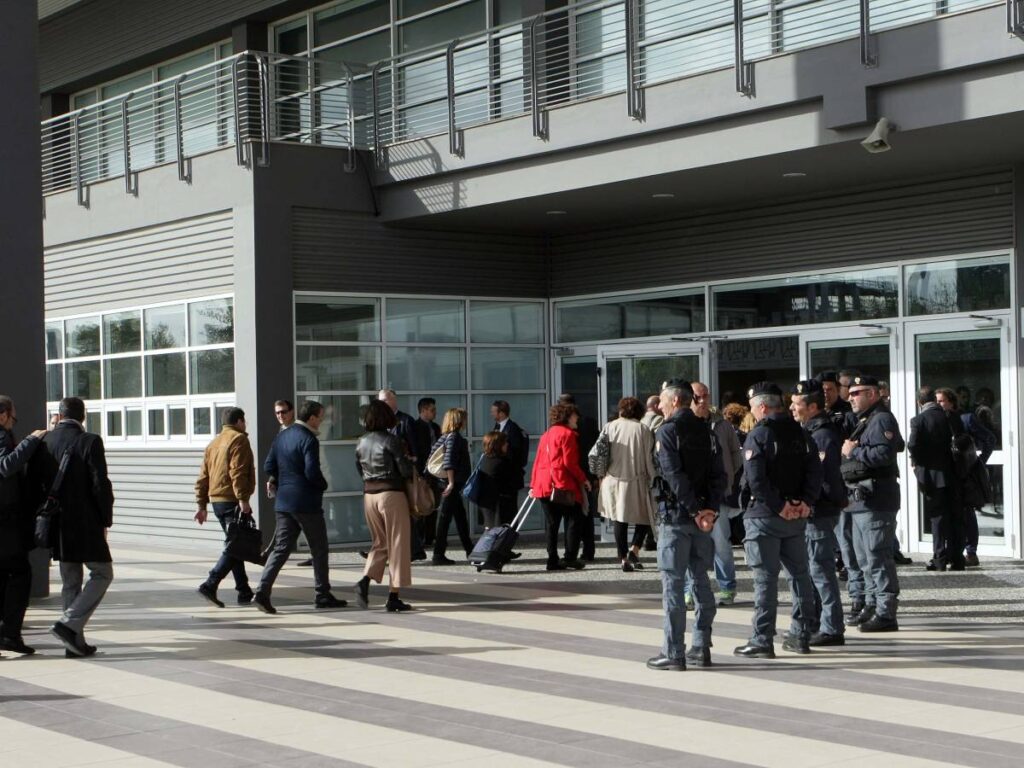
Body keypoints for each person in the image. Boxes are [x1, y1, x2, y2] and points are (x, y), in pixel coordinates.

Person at [734, 382, 822, 658]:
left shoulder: (759, 434)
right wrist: (804, 502)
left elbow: (756, 480)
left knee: (765, 581)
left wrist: (779, 505)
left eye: (752, 408)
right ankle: (801, 634)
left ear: (761, 407)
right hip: (796, 517)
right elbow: (815, 471)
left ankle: (762, 639)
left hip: (765, 517)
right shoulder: (801, 432)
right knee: (800, 576)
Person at [646, 381, 725, 670]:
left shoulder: (668, 431)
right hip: (703, 520)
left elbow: (674, 476)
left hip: (677, 519)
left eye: (663, 402)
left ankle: (674, 651)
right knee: (701, 581)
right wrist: (710, 510)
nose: (659, 407)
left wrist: (693, 510)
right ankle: (701, 646)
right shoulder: (707, 430)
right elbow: (720, 475)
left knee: (674, 586)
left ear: (675, 401)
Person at [28, 397, 114, 657]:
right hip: (85, 522)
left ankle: (73, 643)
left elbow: (33, 484)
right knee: (102, 573)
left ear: (59, 414)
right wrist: (105, 519)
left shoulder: (44, 441)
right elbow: (101, 484)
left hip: (57, 523)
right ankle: (69, 624)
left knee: (70, 581)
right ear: (83, 416)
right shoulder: (90, 441)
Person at [256, 400, 347, 613]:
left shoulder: (282, 436)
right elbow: (311, 472)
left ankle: (262, 591)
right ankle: (322, 594)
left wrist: (283, 479)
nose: (322, 420)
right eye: (320, 417)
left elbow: (268, 466)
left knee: (281, 549)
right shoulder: (308, 439)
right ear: (312, 418)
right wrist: (322, 485)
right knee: (319, 548)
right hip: (306, 503)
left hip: (284, 502)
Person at [842, 375, 905, 632]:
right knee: (865, 558)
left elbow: (884, 453)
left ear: (873, 393)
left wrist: (853, 451)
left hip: (876, 498)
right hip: (862, 500)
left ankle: (886, 612)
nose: (851, 397)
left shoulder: (881, 419)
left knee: (878, 557)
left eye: (857, 392)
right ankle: (872, 604)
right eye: (851, 392)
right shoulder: (867, 420)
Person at [789, 380, 846, 646]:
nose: (792, 407)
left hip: (819, 511)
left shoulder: (821, 434)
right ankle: (815, 622)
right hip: (812, 510)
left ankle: (832, 627)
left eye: (797, 403)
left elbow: (821, 477)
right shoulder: (808, 430)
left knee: (821, 571)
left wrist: (806, 501)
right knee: (813, 571)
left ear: (812, 406)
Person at [354, 400, 415, 612]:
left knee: (380, 542)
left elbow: (360, 470)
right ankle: (393, 596)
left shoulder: (361, 442)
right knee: (397, 543)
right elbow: (405, 471)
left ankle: (365, 580)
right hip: (391, 494)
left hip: (369, 494)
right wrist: (411, 461)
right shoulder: (392, 440)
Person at [194, 407, 256, 608]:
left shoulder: (213, 443)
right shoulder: (239, 439)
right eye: (244, 421)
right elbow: (237, 471)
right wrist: (243, 499)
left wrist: (201, 504)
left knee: (235, 543)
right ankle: (210, 584)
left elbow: (203, 476)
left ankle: (244, 590)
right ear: (239, 421)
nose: (245, 425)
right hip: (231, 499)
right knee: (235, 545)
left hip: (217, 501)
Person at [687, 381, 742, 606]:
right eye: (697, 397)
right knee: (691, 546)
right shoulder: (683, 425)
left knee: (721, 543)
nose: (702, 401)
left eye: (705, 396)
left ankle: (727, 587)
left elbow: (736, 457)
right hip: (692, 497)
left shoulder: (722, 425)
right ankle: (690, 590)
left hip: (717, 495)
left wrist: (726, 480)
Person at [0, 396, 47, 655]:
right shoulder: (1, 436)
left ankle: (7, 633)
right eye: (13, 417)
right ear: (4, 415)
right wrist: (31, 440)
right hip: (5, 524)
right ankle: (10, 634)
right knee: (20, 574)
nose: (13, 423)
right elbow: (6, 466)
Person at [594, 397, 657, 573]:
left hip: (612, 480)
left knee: (618, 519)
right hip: (637, 480)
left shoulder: (609, 427)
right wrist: (654, 478)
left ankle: (622, 557)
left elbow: (599, 453)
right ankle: (634, 549)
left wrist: (600, 476)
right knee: (645, 517)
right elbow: (649, 460)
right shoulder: (643, 429)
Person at [936, 388, 995, 567]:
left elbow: (989, 439)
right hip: (947, 475)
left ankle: (971, 552)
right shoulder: (937, 421)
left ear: (951, 402)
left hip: (965, 475)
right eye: (936, 401)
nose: (938, 405)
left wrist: (979, 462)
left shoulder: (966, 419)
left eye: (942, 401)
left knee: (967, 513)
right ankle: (952, 551)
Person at [530, 403, 590, 571]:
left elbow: (538, 462)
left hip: (544, 484)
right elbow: (569, 463)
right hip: (562, 483)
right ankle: (570, 557)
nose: (577, 418)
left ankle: (552, 558)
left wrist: (534, 483)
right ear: (568, 417)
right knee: (574, 519)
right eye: (574, 415)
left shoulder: (546, 435)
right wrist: (583, 479)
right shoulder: (568, 434)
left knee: (552, 524)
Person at [909, 386, 963, 572]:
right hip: (954, 473)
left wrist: (917, 464)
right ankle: (957, 558)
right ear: (934, 399)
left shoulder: (919, 420)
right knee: (956, 515)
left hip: (932, 475)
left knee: (937, 517)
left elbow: (913, 445)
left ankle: (939, 558)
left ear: (919, 402)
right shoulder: (950, 416)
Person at [380, 389, 425, 560]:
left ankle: (411, 549)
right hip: (388, 474)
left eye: (384, 400)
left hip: (404, 475)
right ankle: (409, 550)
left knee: (406, 514)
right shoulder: (382, 423)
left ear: (393, 400)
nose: (382, 404)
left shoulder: (405, 421)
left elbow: (415, 450)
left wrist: (414, 469)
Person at [270, 399, 313, 568]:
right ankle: (276, 553)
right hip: (286, 487)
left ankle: (313, 554)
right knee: (289, 524)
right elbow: (277, 460)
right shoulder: (281, 432)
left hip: (300, 487)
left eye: (284, 411)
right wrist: (273, 479)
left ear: (292, 412)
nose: (281, 415)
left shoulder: (298, 431)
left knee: (306, 524)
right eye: (277, 413)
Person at [431, 407, 473, 565]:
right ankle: (438, 554)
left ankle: (470, 550)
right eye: (464, 418)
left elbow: (432, 455)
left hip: (447, 483)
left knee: (460, 517)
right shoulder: (454, 437)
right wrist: (451, 483)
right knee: (445, 519)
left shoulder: (444, 437)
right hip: (451, 484)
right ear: (459, 420)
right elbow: (449, 462)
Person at [490, 400, 530, 527]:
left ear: (501, 413)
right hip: (501, 477)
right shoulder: (497, 427)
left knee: (510, 508)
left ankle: (509, 534)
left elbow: (515, 454)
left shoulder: (513, 429)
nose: (492, 414)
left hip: (510, 477)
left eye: (494, 411)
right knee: (501, 509)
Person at [477, 431, 521, 531]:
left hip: (487, 507)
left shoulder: (484, 459)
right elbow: (514, 483)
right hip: (501, 508)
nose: (507, 444)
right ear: (498, 445)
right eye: (505, 442)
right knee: (500, 538)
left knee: (490, 536)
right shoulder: (503, 463)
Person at [413, 398, 441, 546]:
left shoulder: (436, 428)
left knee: (433, 504)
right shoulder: (415, 427)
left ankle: (430, 536)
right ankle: (419, 537)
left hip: (435, 473)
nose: (435, 413)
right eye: (432, 410)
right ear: (423, 410)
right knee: (420, 505)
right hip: (422, 473)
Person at [815, 371, 854, 438]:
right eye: (822, 390)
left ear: (838, 390)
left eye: (829, 390)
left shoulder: (849, 413)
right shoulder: (811, 412)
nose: (825, 394)